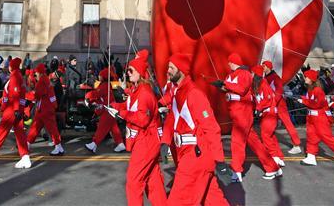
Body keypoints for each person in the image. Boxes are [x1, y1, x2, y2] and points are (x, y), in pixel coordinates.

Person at [162, 53, 230, 205]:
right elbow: (172, 118)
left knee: (178, 202)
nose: (168, 71)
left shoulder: (194, 94)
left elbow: (211, 128)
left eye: (171, 68)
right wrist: (165, 141)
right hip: (188, 154)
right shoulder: (177, 93)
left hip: (196, 157)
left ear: (181, 70)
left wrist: (220, 161)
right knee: (214, 201)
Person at [104, 50, 166, 206]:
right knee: (153, 180)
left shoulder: (144, 93)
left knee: (134, 181)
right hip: (144, 140)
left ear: (140, 72)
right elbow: (128, 106)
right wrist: (113, 106)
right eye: (128, 70)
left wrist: (121, 113)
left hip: (146, 140)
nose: (128, 73)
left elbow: (142, 119)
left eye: (131, 70)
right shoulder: (136, 90)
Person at [216, 53, 280, 181]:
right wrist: (221, 87)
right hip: (236, 112)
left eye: (229, 62)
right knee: (255, 143)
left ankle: (236, 171)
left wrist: (226, 84)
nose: (228, 64)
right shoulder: (231, 75)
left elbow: (242, 89)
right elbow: (231, 89)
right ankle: (272, 167)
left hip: (243, 113)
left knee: (237, 142)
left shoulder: (244, 74)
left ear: (233, 62)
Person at [298, 69, 334, 166]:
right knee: (311, 137)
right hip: (312, 117)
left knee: (326, 137)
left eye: (307, 77)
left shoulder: (318, 90)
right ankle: (311, 156)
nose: (305, 78)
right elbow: (311, 101)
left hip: (320, 118)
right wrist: (303, 99)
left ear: (312, 79)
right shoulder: (310, 90)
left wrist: (304, 101)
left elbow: (317, 104)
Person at [262, 60, 302, 154]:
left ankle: (296, 144)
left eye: (264, 66)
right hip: (271, 105)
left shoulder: (275, 77)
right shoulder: (266, 78)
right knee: (268, 125)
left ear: (268, 67)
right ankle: (269, 144)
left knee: (287, 124)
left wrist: (272, 103)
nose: (262, 68)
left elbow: (279, 92)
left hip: (279, 105)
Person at [26, 63, 64, 155]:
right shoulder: (46, 80)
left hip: (44, 109)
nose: (35, 75)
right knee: (36, 127)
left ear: (39, 73)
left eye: (36, 73)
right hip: (45, 108)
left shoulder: (42, 82)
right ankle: (27, 144)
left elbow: (37, 95)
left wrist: (26, 95)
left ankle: (58, 147)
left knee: (50, 129)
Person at [85, 67, 125, 153]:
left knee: (102, 128)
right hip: (110, 108)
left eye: (100, 75)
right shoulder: (106, 85)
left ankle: (94, 144)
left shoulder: (104, 85)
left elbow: (96, 93)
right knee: (114, 129)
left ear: (103, 76)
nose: (99, 77)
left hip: (108, 109)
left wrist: (88, 96)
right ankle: (120, 144)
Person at [254, 65, 285, 168]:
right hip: (266, 114)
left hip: (269, 114)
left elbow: (267, 99)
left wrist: (259, 108)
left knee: (265, 136)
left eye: (252, 73)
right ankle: (279, 157)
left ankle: (274, 157)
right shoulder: (258, 84)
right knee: (271, 136)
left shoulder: (263, 84)